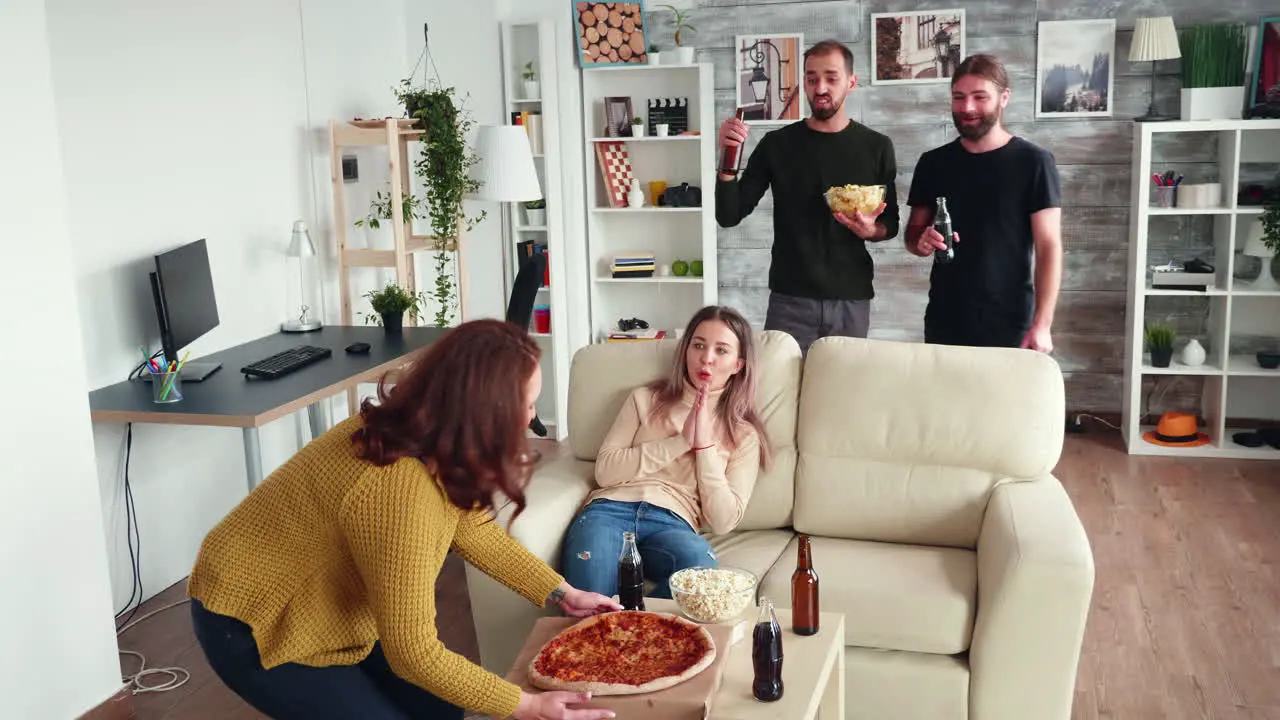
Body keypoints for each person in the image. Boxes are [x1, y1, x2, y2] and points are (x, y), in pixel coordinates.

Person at [185, 319, 620, 720]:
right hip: (253, 617)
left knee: (441, 712)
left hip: (321, 603)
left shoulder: (427, 435)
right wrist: (524, 705)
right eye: (525, 406)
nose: (532, 419)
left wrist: (560, 590)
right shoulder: (399, 490)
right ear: (481, 412)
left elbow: (469, 526)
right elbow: (414, 654)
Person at [560, 306, 771, 599]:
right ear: (686, 351)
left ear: (738, 364)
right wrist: (681, 442)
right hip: (609, 511)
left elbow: (723, 521)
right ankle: (621, 633)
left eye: (721, 350)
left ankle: (641, 634)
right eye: (698, 345)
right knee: (592, 607)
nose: (706, 357)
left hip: (672, 522)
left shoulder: (743, 434)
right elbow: (606, 472)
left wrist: (705, 446)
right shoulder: (644, 399)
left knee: (700, 568)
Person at [714, 39, 900, 355]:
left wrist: (872, 230)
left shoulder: (877, 147)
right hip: (789, 299)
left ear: (851, 82)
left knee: (840, 396)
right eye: (812, 79)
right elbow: (729, 215)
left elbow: (890, 223)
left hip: (850, 300)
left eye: (831, 77)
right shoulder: (777, 145)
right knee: (782, 397)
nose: (820, 87)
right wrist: (727, 161)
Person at [905, 54, 1063, 352]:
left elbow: (1049, 247)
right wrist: (921, 241)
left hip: (1011, 322)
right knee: (943, 401)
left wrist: (1042, 324)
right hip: (944, 319)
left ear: (1004, 98)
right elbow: (912, 235)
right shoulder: (932, 163)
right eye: (959, 97)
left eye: (980, 97)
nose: (967, 107)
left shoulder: (1034, 162)